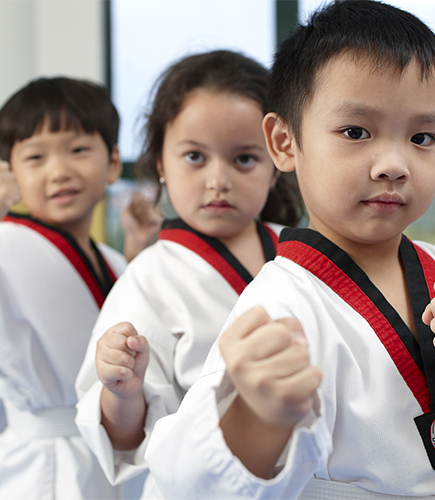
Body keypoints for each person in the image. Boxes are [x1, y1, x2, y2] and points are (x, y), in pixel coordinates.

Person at [144, 2, 435, 499]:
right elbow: (186, 483)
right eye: (356, 132)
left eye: (423, 137)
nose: (394, 164)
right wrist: (256, 418)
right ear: (285, 142)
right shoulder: (282, 307)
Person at [75, 50, 304, 500]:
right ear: (160, 161)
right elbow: (125, 442)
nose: (218, 180)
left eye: (243, 160)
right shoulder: (149, 278)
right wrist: (122, 392)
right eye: (195, 156)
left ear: (277, 161)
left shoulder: (301, 252)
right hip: (203, 486)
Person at [0, 77, 126, 499]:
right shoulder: (6, 241)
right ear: (10, 172)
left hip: (108, 449)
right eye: (35, 157)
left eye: (77, 150)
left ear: (111, 163)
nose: (59, 171)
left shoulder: (112, 259)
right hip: (40, 464)